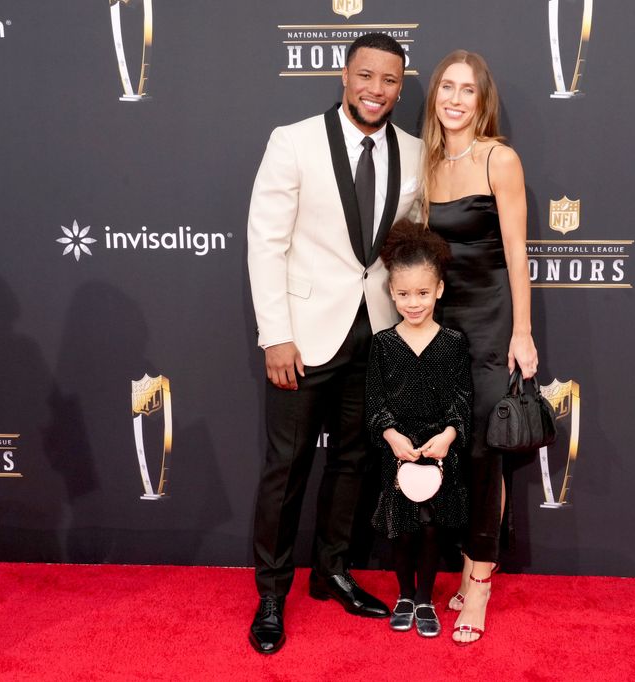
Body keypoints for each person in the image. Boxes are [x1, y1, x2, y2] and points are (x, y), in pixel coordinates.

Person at [246, 33, 423, 654]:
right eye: (367, 76)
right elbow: (265, 242)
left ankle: (332, 571)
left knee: (355, 463)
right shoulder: (292, 141)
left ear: (402, 86)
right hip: (302, 338)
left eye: (391, 81)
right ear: (344, 76)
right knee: (287, 468)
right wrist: (277, 336)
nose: (377, 90)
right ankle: (271, 594)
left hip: (375, 338)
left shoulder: (415, 152)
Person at [421, 50, 539, 645]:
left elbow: (517, 253)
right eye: (447, 87)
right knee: (454, 449)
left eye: (468, 90)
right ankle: (467, 563)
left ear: (482, 100)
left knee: (487, 452)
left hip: (492, 323)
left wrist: (522, 330)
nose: (456, 99)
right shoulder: (427, 162)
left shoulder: (500, 159)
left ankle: (481, 580)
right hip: (440, 326)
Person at [367, 220, 471, 639]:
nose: (414, 303)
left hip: (439, 452)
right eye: (405, 294)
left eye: (423, 293)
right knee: (403, 528)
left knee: (430, 527)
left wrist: (448, 436)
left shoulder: (452, 342)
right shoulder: (382, 344)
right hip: (398, 452)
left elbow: (462, 397)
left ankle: (426, 597)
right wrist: (391, 436)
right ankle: (405, 595)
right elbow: (375, 401)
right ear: (391, 292)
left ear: (439, 290)